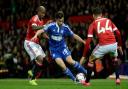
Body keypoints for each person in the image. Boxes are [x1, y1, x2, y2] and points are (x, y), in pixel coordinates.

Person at [32, 11, 87, 83]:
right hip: (54, 50)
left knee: (71, 62)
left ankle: (86, 72)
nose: (61, 22)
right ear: (56, 19)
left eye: (62, 20)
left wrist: (83, 41)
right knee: (63, 66)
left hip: (63, 48)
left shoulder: (65, 27)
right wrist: (36, 35)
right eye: (60, 21)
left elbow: (74, 35)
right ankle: (75, 80)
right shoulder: (51, 26)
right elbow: (41, 30)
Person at [80, 7, 123, 86]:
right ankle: (117, 79)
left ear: (93, 15)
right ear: (101, 14)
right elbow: (118, 33)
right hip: (113, 44)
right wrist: (119, 45)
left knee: (90, 60)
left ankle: (87, 81)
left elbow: (88, 41)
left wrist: (83, 56)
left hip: (103, 45)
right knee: (114, 59)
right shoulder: (108, 20)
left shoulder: (93, 24)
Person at [24, 6, 48, 85]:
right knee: (40, 59)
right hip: (29, 42)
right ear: (38, 12)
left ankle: (32, 71)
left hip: (36, 43)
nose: (43, 14)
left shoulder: (42, 21)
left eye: (44, 13)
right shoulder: (35, 18)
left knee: (45, 62)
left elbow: (41, 34)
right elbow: (34, 28)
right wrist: (44, 26)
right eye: (42, 12)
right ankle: (32, 79)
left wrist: (49, 38)